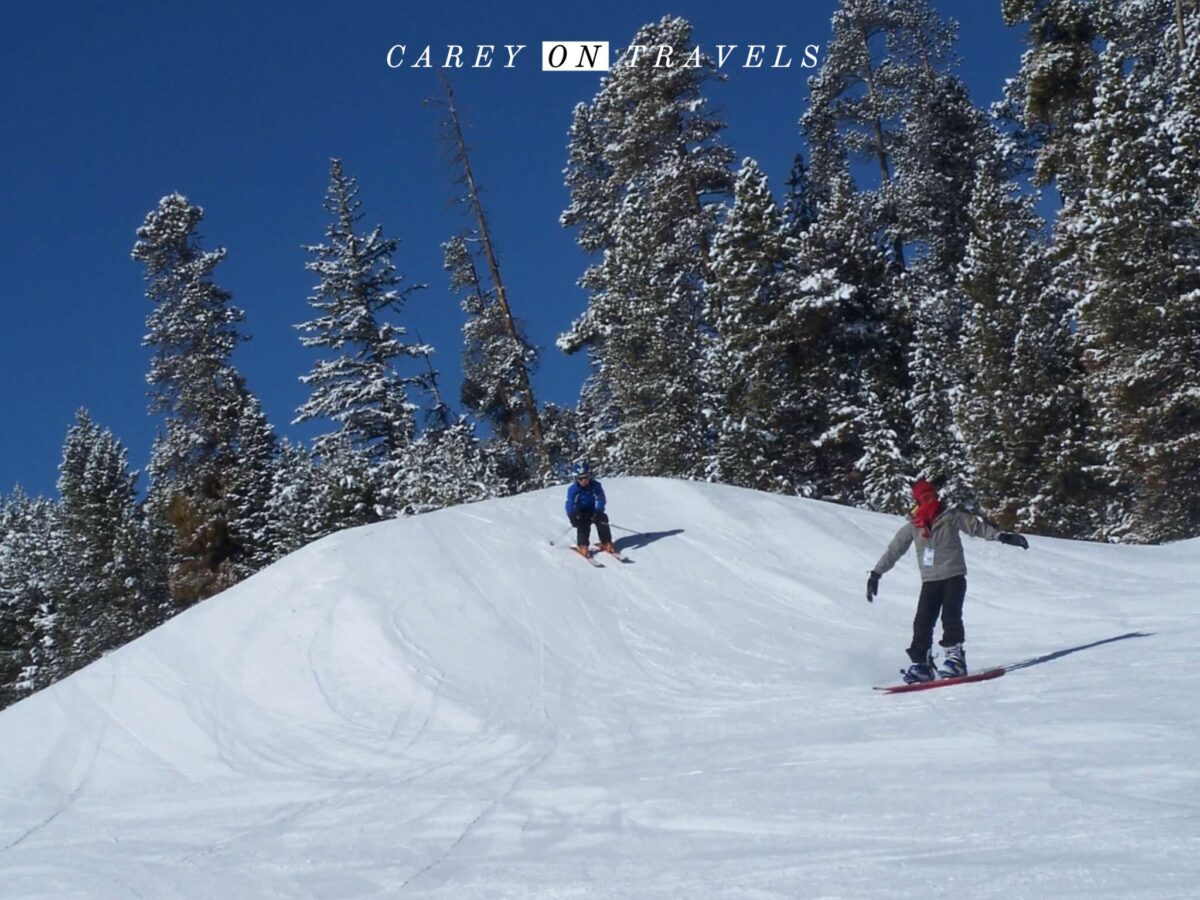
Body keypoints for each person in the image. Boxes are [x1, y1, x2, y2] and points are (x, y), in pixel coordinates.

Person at [866, 478, 1029, 683]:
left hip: (954, 576)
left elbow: (977, 527)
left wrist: (1002, 536)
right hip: (930, 581)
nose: (929, 500)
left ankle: (955, 659)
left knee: (951, 617)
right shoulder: (914, 526)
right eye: (924, 498)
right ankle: (922, 663)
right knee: (922, 622)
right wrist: (876, 574)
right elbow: (894, 550)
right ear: (917, 501)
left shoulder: (951, 517)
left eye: (931, 496)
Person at [565, 461, 615, 556]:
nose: (584, 480)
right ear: (576, 478)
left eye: (586, 477)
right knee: (583, 522)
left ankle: (606, 542)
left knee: (602, 519)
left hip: (593, 510)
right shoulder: (573, 489)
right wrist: (572, 516)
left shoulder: (595, 486)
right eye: (580, 478)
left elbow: (601, 498)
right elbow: (569, 503)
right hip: (581, 511)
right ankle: (583, 545)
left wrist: (598, 511)